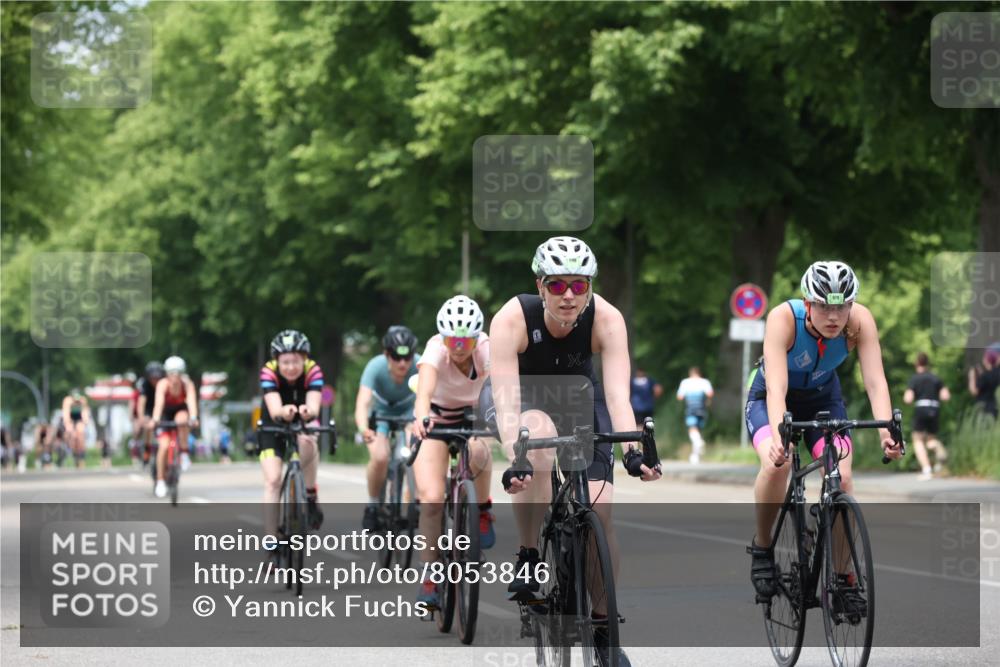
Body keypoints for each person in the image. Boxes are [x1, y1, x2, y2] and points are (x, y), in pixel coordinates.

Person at [484, 236, 660, 667]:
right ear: (540, 285)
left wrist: (633, 452)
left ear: (589, 288)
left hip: (581, 399)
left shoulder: (607, 318)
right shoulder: (512, 318)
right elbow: (506, 403)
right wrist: (516, 458)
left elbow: (617, 398)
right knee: (539, 439)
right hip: (524, 400)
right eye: (558, 285)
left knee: (600, 508)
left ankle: (603, 627)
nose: (568, 295)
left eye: (579, 286)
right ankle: (529, 554)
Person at [744, 261, 901, 602]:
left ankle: (843, 578)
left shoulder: (860, 321)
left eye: (842, 307)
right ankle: (763, 547)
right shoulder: (783, 319)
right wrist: (780, 437)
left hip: (822, 400)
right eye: (824, 307)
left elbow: (875, 382)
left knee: (842, 478)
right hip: (770, 397)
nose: (834, 316)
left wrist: (886, 433)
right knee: (777, 464)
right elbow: (776, 389)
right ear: (807, 304)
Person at [412, 295, 495, 608]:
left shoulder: (486, 348)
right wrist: (421, 418)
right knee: (432, 498)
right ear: (443, 337)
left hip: (474, 416)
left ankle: (482, 510)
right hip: (438, 417)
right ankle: (430, 576)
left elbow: (498, 388)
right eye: (452, 340)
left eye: (465, 341)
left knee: (479, 452)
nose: (458, 347)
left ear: (476, 338)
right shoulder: (435, 349)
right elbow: (423, 393)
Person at [258, 330, 325, 543]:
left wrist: (308, 411)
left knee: (308, 441)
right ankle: (271, 537)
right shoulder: (268, 371)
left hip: (302, 419)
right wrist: (283, 412)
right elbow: (274, 408)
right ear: (277, 361)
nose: (290, 367)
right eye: (285, 362)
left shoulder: (313, 370)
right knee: (273, 480)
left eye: (295, 361)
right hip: (273, 423)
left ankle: (310, 493)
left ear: (304, 359)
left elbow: (314, 405)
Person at [354, 325, 420, 530]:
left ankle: (413, 501)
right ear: (386, 354)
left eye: (407, 357)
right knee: (380, 457)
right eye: (396, 357)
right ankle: (373, 505)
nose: (402, 363)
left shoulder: (421, 365)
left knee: (415, 453)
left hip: (409, 414)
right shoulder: (375, 366)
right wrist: (363, 428)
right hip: (381, 415)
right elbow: (363, 403)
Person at [152, 356, 199, 498]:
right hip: (165, 414)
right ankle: (160, 480)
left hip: (180, 411)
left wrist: (193, 418)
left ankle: (184, 452)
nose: (175, 376)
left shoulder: (187, 384)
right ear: (167, 373)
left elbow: (191, 401)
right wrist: (155, 419)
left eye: (178, 373)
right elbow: (159, 404)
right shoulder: (162, 384)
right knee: (164, 446)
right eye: (172, 373)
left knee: (182, 420)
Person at [903, 352, 950, 479]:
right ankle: (938, 447)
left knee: (917, 440)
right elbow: (945, 396)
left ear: (916, 363)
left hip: (921, 408)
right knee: (931, 440)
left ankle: (927, 469)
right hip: (935, 408)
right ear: (927, 363)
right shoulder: (936, 378)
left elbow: (908, 399)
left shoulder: (915, 379)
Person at [676, 366, 714, 464]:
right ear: (699, 373)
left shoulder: (685, 382)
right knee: (698, 430)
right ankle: (695, 456)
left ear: (690, 374)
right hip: (702, 408)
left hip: (691, 408)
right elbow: (710, 394)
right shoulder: (704, 382)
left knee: (692, 429)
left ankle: (699, 443)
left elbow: (680, 396)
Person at [134, 361, 164, 468]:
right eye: (153, 378)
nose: (155, 380)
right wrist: (141, 418)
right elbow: (141, 403)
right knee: (148, 426)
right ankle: (147, 449)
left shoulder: (164, 384)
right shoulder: (145, 385)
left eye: (157, 378)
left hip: (162, 409)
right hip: (149, 409)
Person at [968, 344, 1000, 422]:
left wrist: (972, 377)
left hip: (984, 409)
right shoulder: (997, 373)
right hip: (994, 407)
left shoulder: (985, 376)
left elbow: (974, 391)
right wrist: (981, 374)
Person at [61, 388, 91, 468]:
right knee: (71, 434)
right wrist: (67, 423)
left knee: (80, 434)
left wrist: (85, 421)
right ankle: (70, 450)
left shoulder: (82, 400)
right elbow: (66, 413)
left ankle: (81, 455)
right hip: (70, 419)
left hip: (79, 419)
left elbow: (85, 412)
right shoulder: (67, 401)